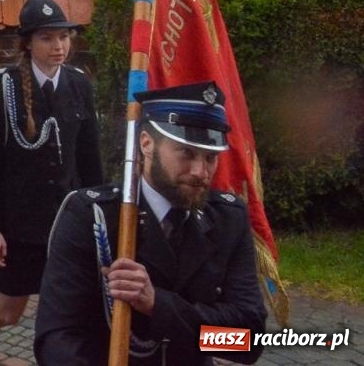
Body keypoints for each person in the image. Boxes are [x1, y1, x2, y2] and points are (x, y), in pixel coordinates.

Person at [35, 80, 266, 365]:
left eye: (211, 158)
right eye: (186, 153)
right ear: (146, 143)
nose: (201, 171)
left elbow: (246, 343)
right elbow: (56, 338)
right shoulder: (92, 215)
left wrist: (158, 304)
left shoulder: (228, 219)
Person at [0, 0, 103, 365]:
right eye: (47, 38)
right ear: (27, 42)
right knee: (9, 312)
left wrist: (100, 218)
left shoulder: (79, 84)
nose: (59, 46)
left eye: (64, 37)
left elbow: (90, 159)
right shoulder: (2, 86)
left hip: (68, 222)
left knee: (68, 311)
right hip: (19, 224)